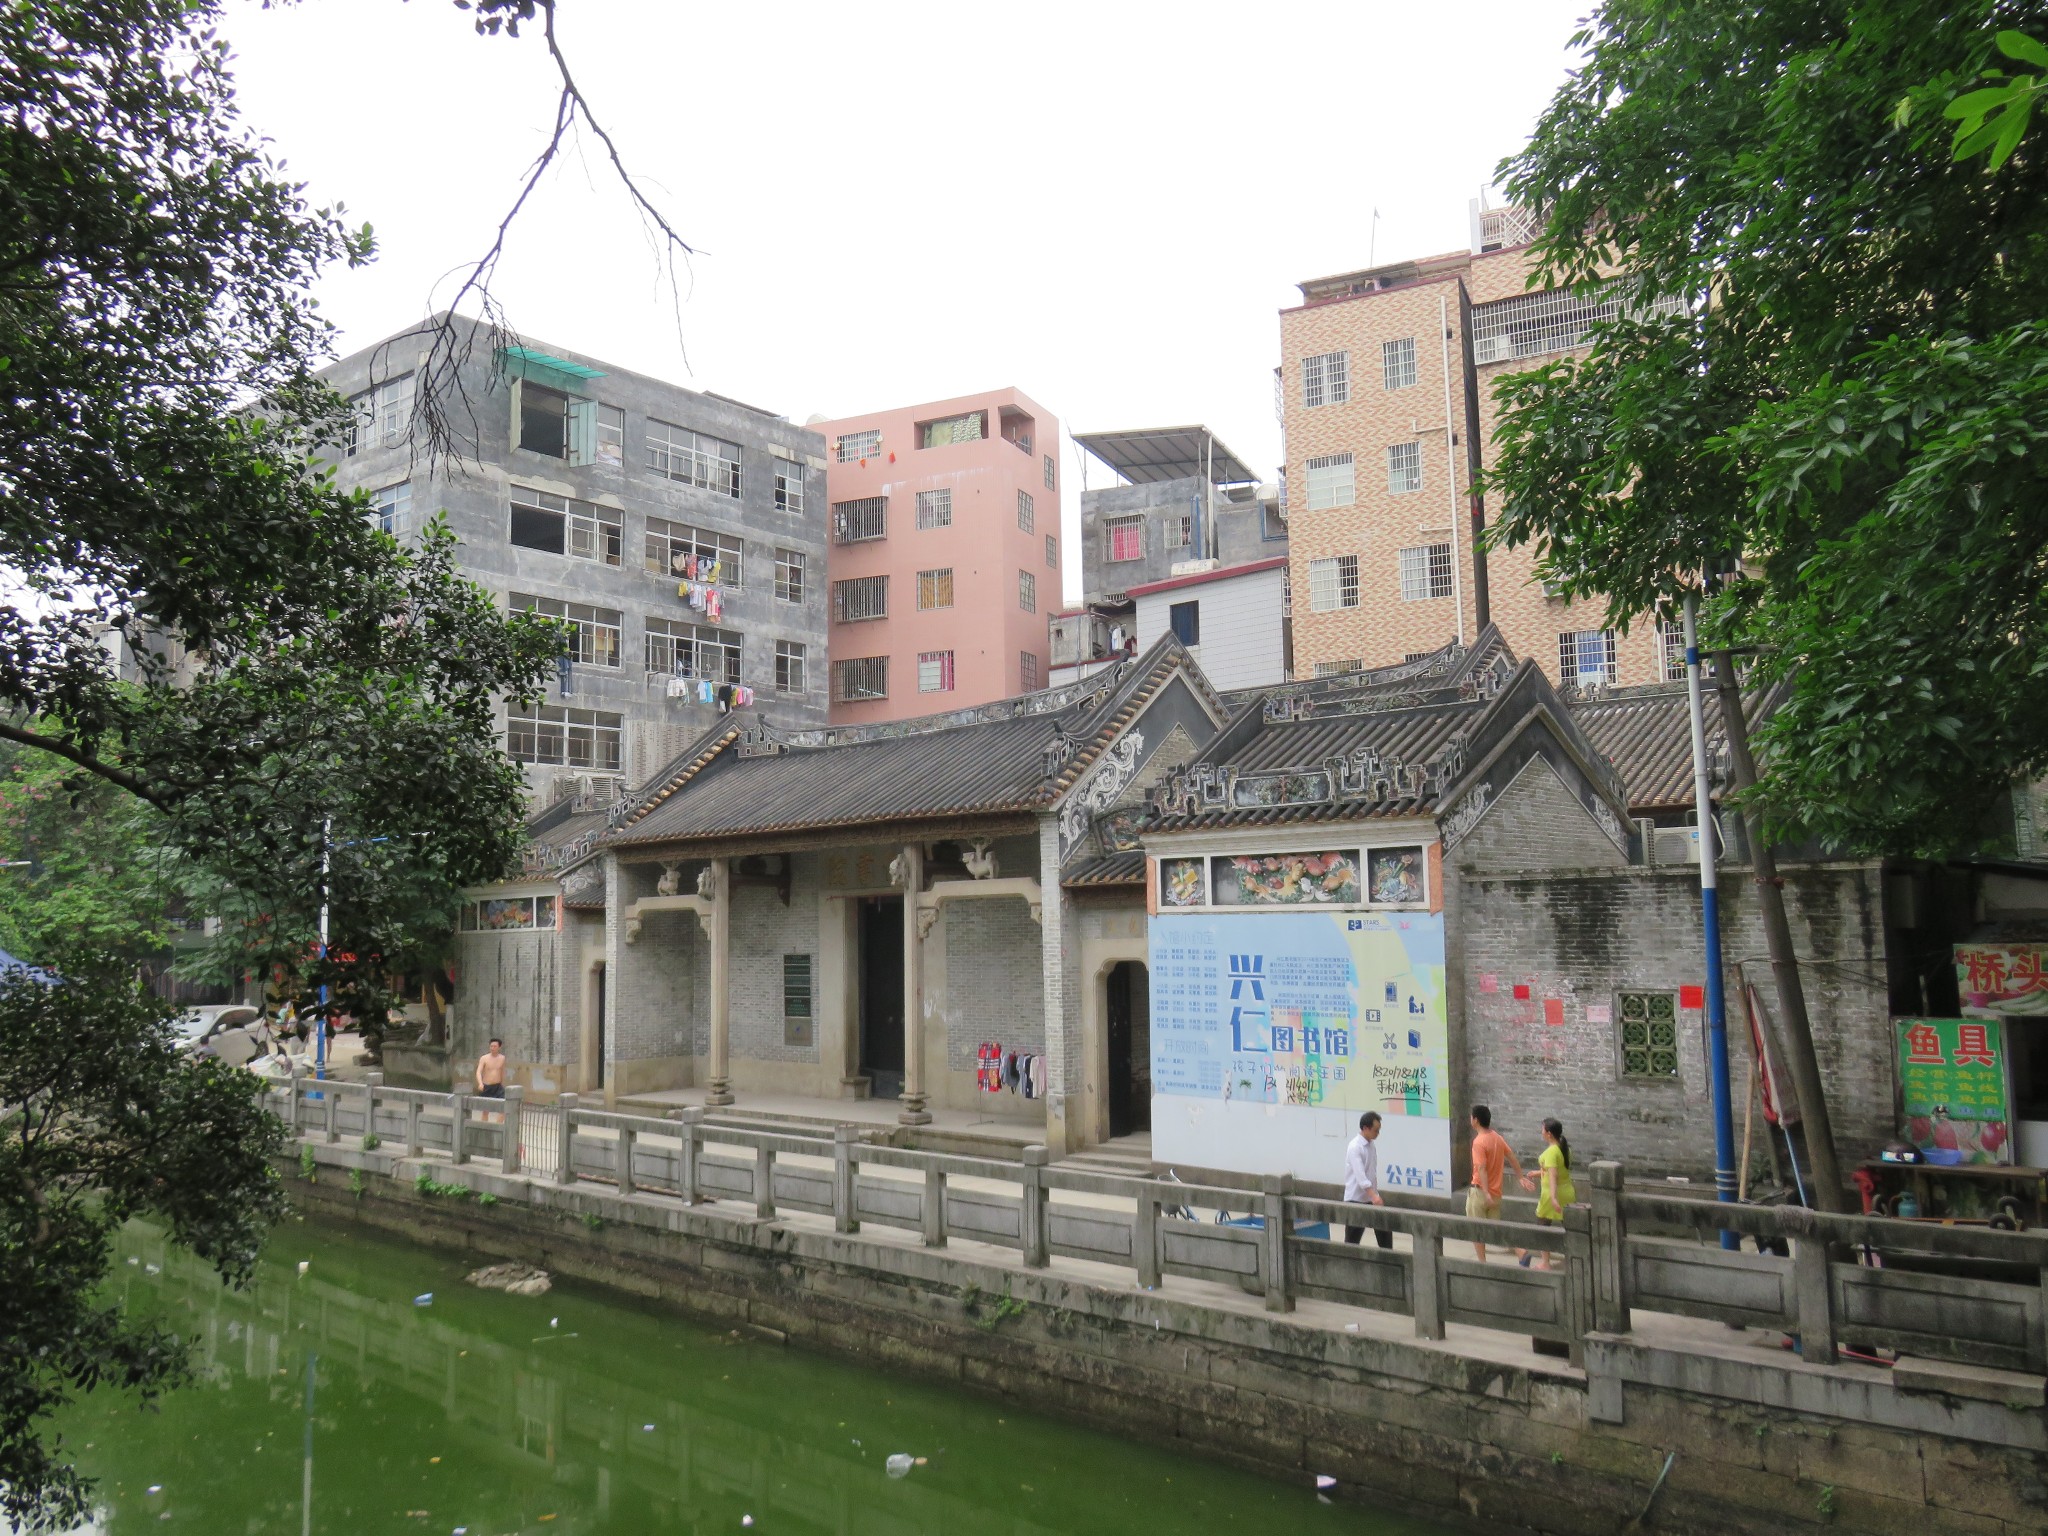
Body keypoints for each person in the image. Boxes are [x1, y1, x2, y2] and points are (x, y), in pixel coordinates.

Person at [1465, 1104, 1526, 1261]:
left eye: (1471, 1117)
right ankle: (1520, 1251)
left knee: (1476, 1230)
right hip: (1496, 1193)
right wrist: (1520, 1177)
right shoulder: (1497, 1138)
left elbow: (1481, 1169)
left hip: (1480, 1192)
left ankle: (1482, 1263)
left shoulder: (1479, 1142)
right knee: (1497, 1230)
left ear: (1476, 1120)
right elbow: (1512, 1157)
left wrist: (1485, 1193)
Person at [1519, 1117, 1576, 1269]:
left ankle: (1545, 1262)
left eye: (1543, 1129)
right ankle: (1575, 1258)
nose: (1541, 1132)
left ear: (1549, 1133)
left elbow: (1553, 1175)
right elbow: (1556, 1171)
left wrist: (1553, 1197)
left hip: (1551, 1194)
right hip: (1567, 1191)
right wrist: (1538, 1173)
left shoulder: (1551, 1151)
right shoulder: (1565, 1149)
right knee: (1571, 1227)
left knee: (1542, 1226)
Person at [1342, 1111, 1394, 1250]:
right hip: (1356, 1199)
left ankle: (1389, 1260)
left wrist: (1374, 1195)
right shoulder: (1355, 1147)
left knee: (1384, 1231)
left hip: (1371, 1197)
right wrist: (1374, 1196)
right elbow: (1361, 1177)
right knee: (1352, 1239)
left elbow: (1371, 1173)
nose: (1378, 1133)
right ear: (1365, 1128)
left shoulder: (1371, 1145)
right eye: (1375, 1130)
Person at [476, 1037, 508, 1123]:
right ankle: (485, 1128)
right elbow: (478, 1071)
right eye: (491, 1046)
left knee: (504, 1108)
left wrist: (502, 1084)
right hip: (486, 1086)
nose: (492, 1048)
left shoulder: (502, 1058)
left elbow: (502, 1071)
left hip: (498, 1086)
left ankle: (497, 1127)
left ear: (499, 1047)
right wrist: (480, 1083)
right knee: (485, 1111)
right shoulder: (484, 1058)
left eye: (495, 1046)